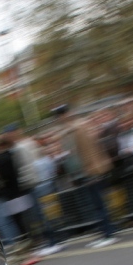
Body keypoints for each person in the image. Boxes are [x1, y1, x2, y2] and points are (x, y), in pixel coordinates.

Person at [54, 105, 120, 248]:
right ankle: (107, 231)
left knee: (98, 203)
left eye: (62, 114)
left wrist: (91, 169)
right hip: (88, 170)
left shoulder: (78, 127)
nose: (61, 117)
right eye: (60, 115)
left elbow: (87, 151)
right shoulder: (74, 128)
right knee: (97, 203)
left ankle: (108, 233)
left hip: (90, 170)